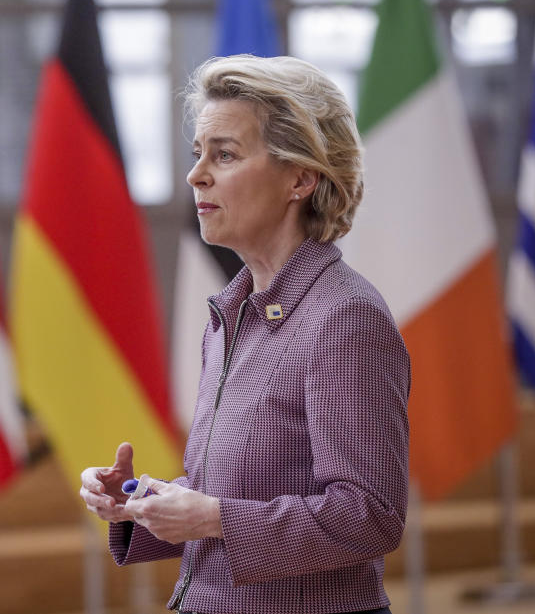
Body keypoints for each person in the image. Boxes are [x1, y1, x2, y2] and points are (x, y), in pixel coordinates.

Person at [80, 55, 410, 614]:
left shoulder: (344, 318)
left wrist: (211, 516)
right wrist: (141, 503)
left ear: (301, 178)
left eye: (225, 154)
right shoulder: (232, 312)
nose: (196, 175)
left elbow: (369, 514)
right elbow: (241, 488)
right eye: (197, 154)